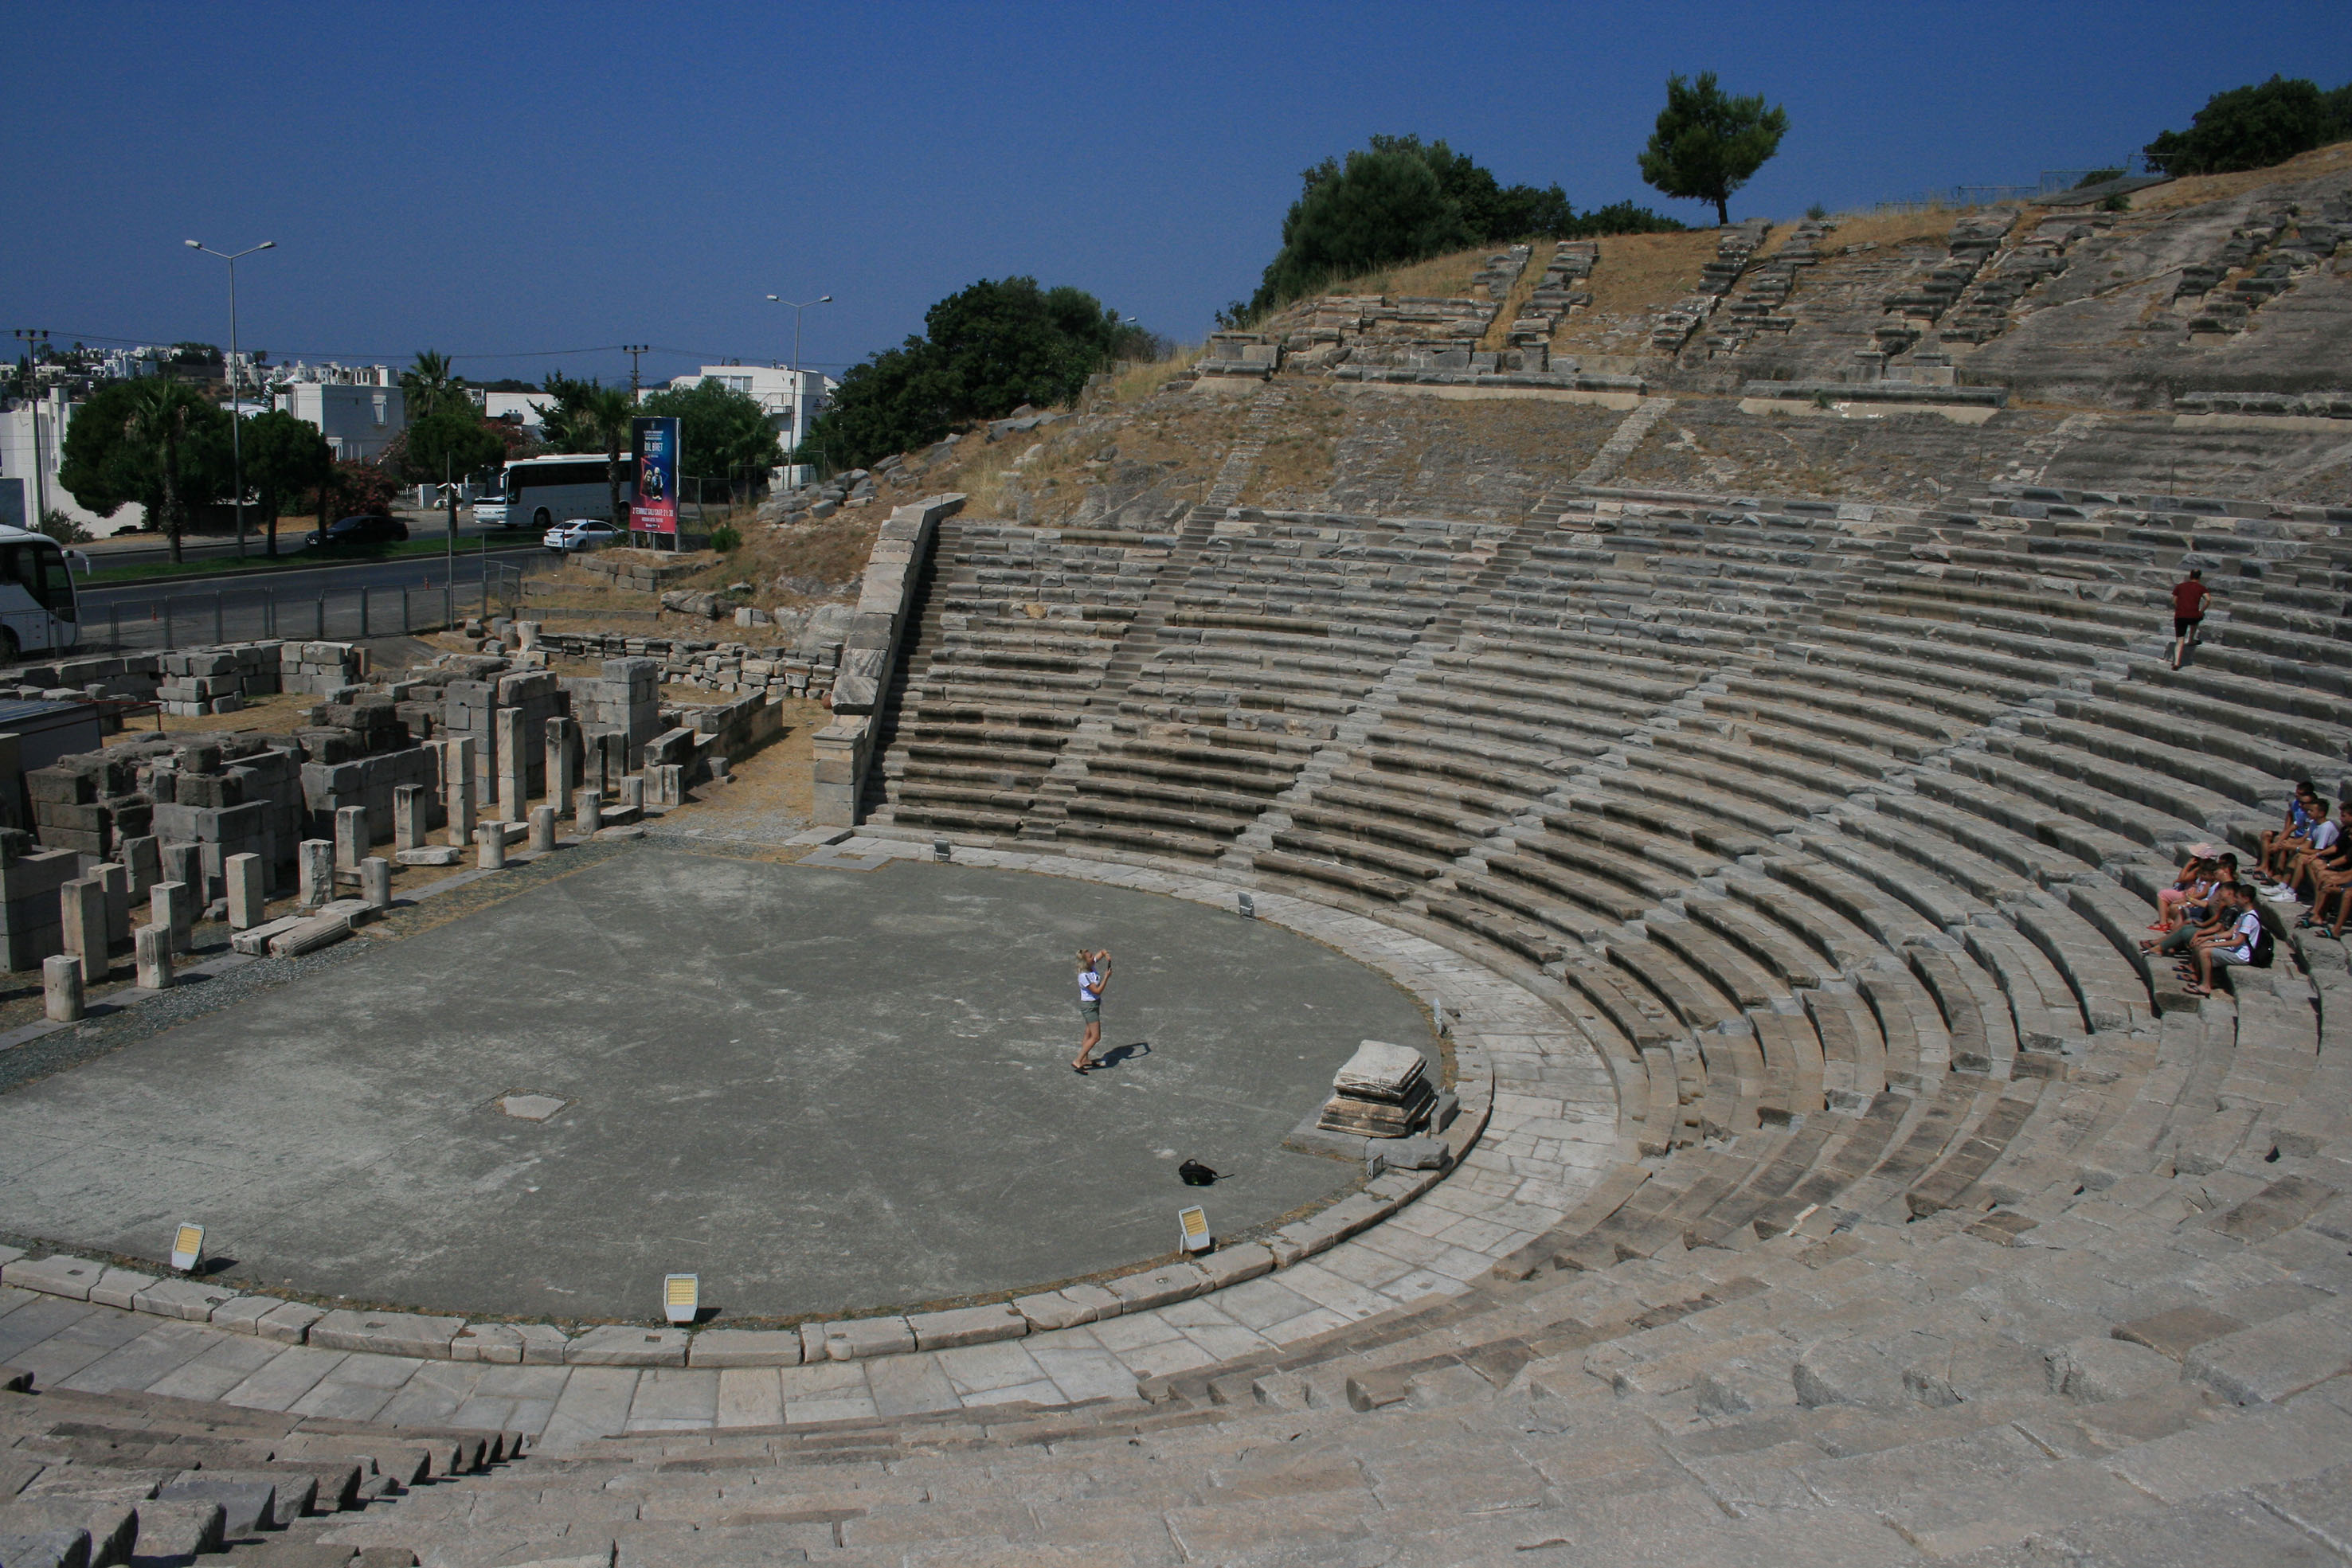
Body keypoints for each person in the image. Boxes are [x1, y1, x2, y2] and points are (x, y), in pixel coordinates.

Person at [2182, 884, 2263, 998]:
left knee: (2205, 951)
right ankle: (2200, 978)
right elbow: (2230, 933)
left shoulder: (2249, 918)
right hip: (2235, 949)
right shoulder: (2243, 914)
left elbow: (2237, 941)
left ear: (2246, 899)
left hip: (2242, 955)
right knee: (2201, 945)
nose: (2235, 900)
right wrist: (2208, 938)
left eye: (2238, 897)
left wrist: (2212, 945)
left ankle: (2206, 986)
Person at [1071, 948, 1112, 1073]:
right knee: (1096, 1037)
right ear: (1085, 962)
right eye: (1090, 957)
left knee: (1088, 1033)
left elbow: (1102, 952)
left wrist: (1106, 955)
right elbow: (1097, 991)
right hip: (1089, 1007)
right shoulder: (1084, 976)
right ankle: (1078, 1060)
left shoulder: (1090, 965)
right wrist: (1106, 977)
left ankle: (1085, 1059)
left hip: (1094, 1004)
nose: (1093, 958)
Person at [2170, 569, 2212, 670]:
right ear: (2199, 577)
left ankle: (2176, 663)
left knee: (2179, 641)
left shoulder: (2180, 586)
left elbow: (2174, 600)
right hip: (2193, 615)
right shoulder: (2201, 588)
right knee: (2196, 619)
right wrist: (2202, 610)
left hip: (2180, 615)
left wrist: (2179, 607)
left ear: (2190, 576)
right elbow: (2208, 600)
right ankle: (2191, 639)